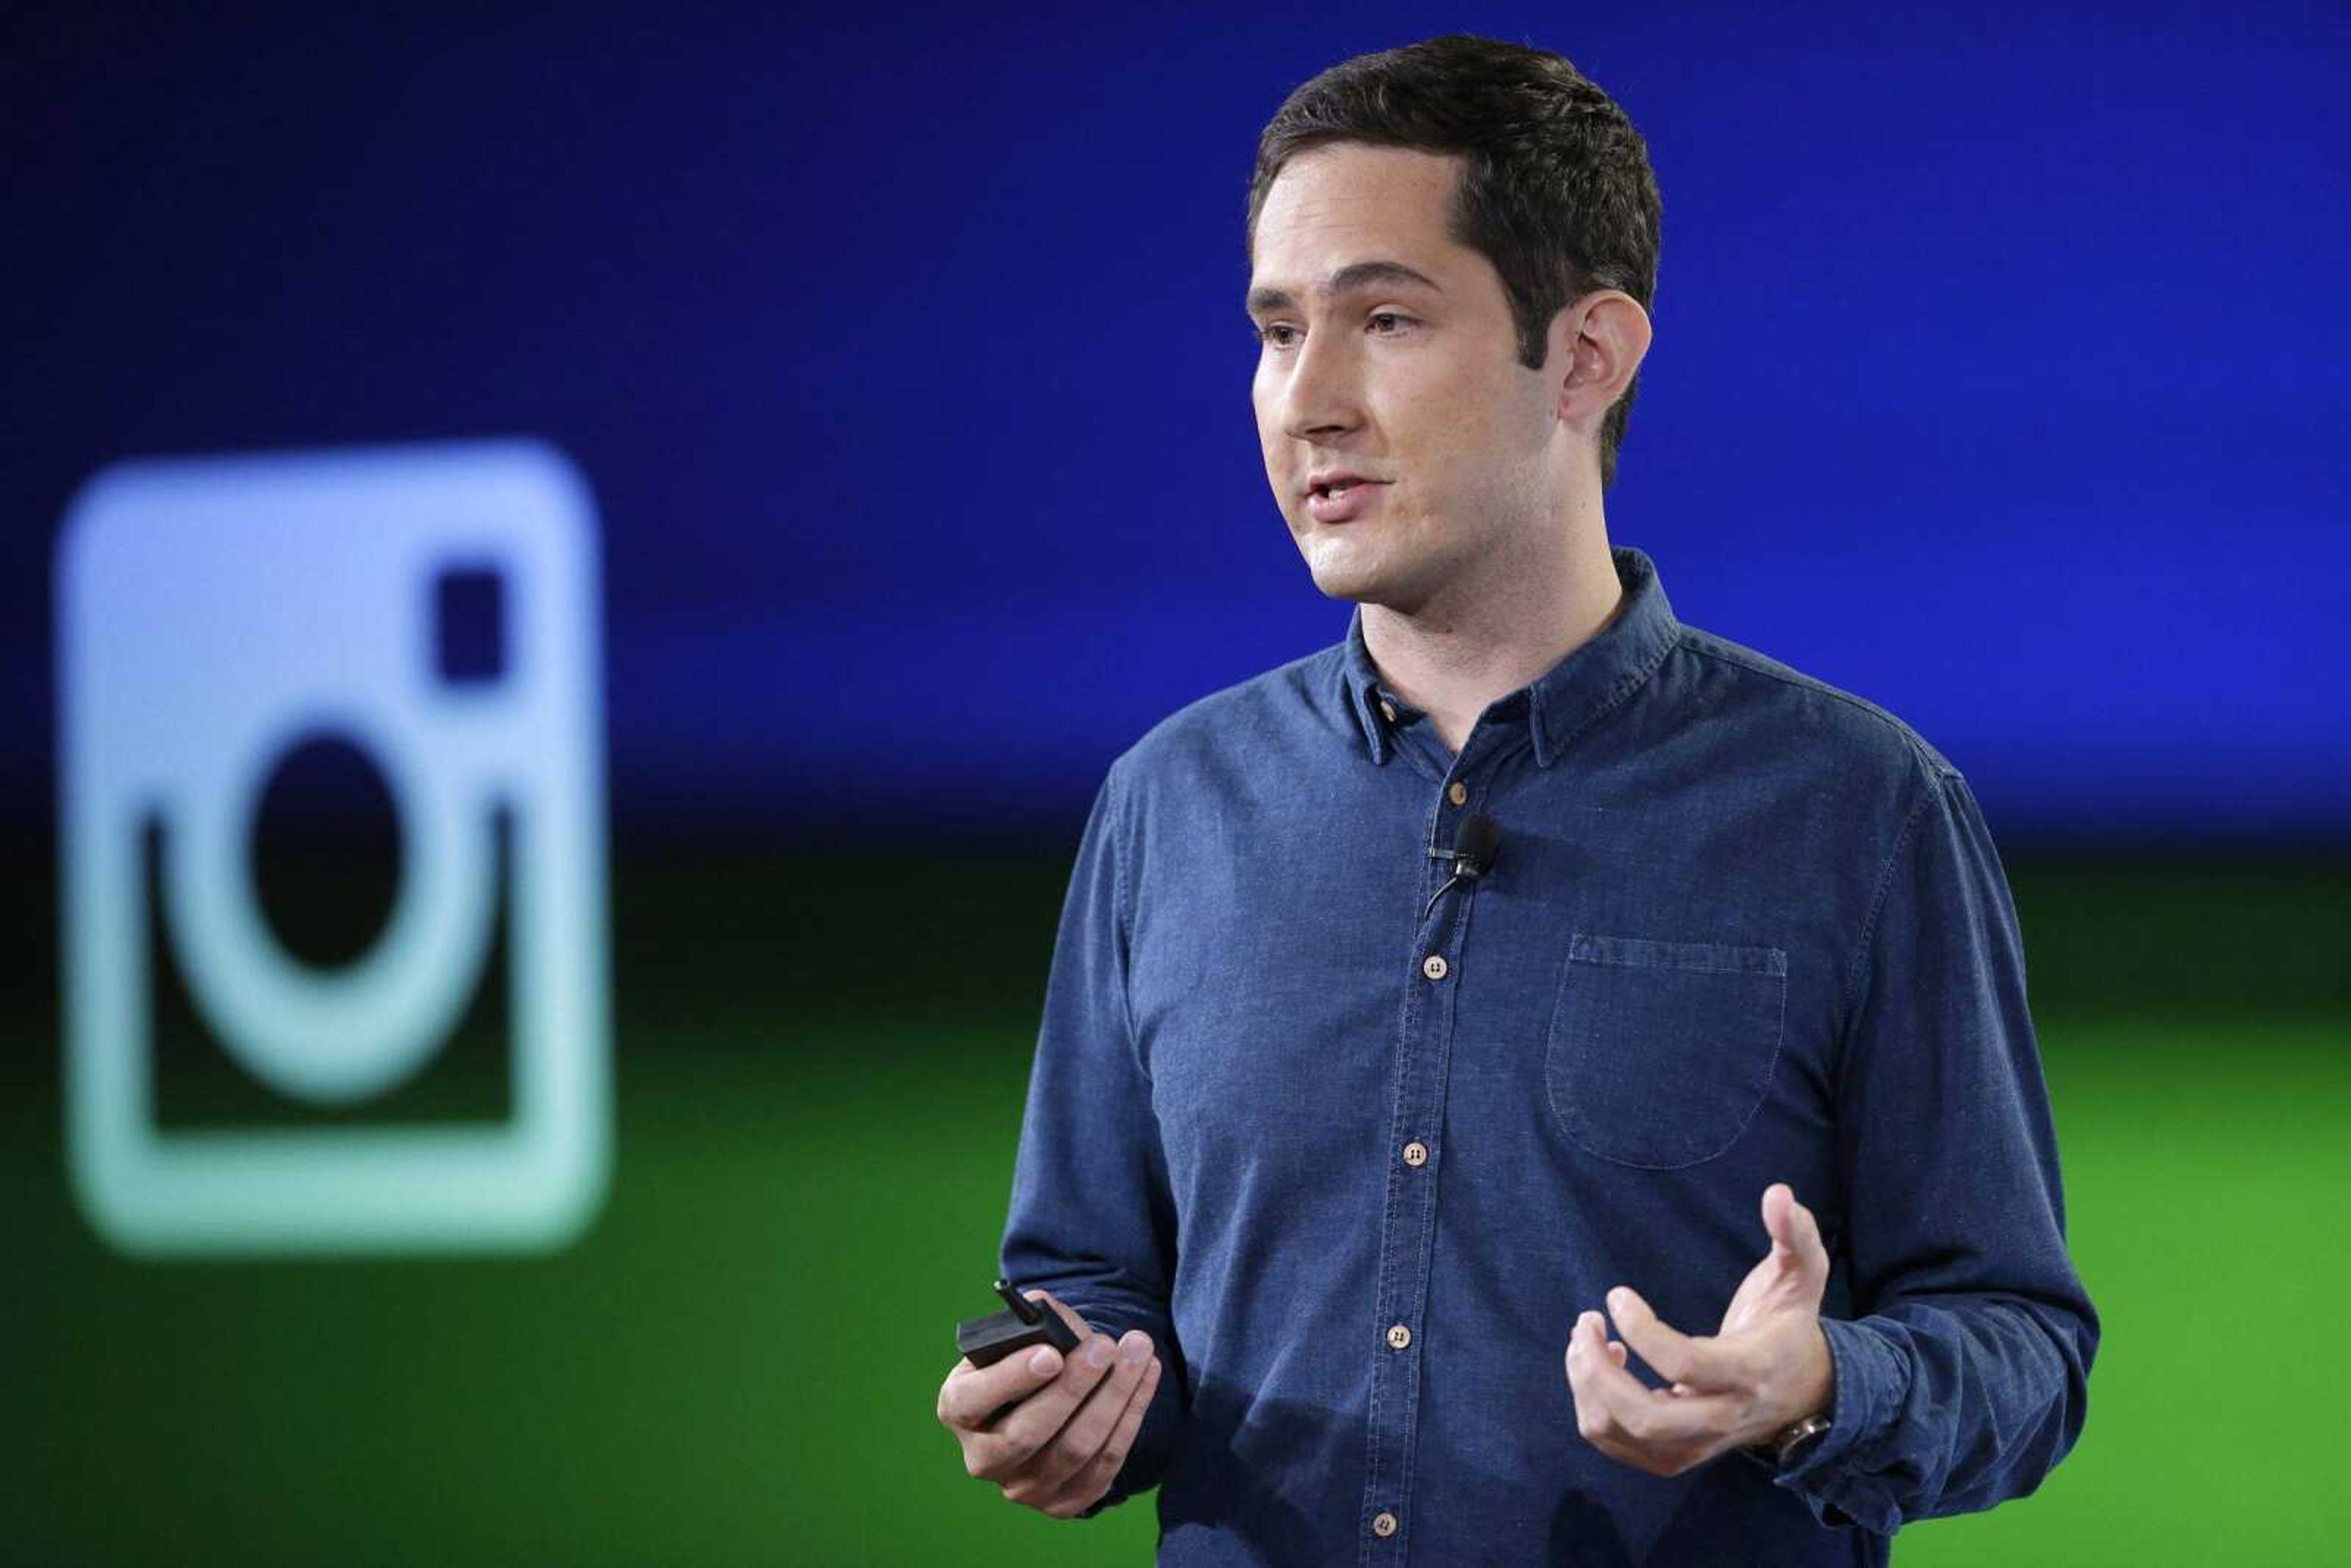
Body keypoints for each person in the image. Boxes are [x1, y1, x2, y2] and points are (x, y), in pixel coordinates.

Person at [935, 32, 2097, 1564]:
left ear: (1591, 355)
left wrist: (1817, 1384)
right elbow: (1091, 1286)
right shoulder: (1169, 805)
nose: (1309, 402)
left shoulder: (1859, 812)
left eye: (1388, 320)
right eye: (1278, 332)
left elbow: (2021, 1346)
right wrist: (1064, 1394)